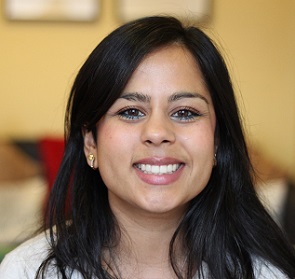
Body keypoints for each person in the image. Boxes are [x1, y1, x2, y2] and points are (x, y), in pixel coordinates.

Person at [0, 16, 294, 279]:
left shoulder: (269, 273)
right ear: (91, 141)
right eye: (130, 111)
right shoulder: (24, 271)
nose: (157, 133)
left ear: (217, 140)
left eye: (185, 112)